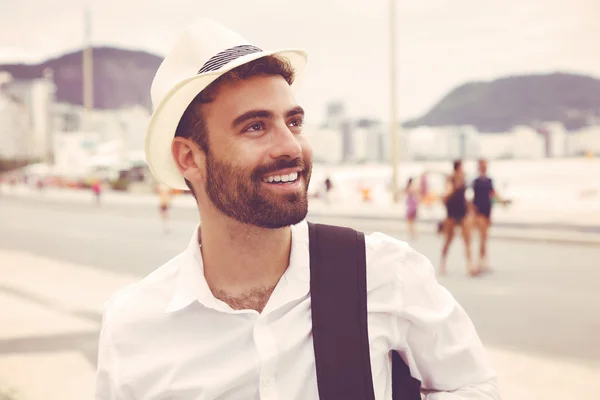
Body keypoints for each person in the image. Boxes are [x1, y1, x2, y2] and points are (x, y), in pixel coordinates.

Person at [95, 19, 499, 399]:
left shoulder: (382, 272)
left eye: (294, 122)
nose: (291, 146)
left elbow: (475, 387)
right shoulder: (133, 326)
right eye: (255, 126)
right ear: (189, 159)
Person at [440, 160, 477, 276]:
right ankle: (443, 264)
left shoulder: (463, 180)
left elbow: (463, 197)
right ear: (458, 168)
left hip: (462, 212)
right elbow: (446, 196)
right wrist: (455, 186)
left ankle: (469, 266)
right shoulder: (450, 180)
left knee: (467, 240)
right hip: (451, 213)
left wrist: (470, 207)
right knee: (448, 240)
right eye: (462, 167)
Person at [472, 159, 508, 272]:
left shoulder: (489, 180)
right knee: (482, 236)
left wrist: (502, 201)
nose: (484, 167)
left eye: (485, 165)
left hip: (488, 210)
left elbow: (493, 193)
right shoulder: (476, 181)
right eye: (483, 165)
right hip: (479, 211)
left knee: (485, 237)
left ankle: (483, 260)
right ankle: (480, 261)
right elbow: (472, 197)